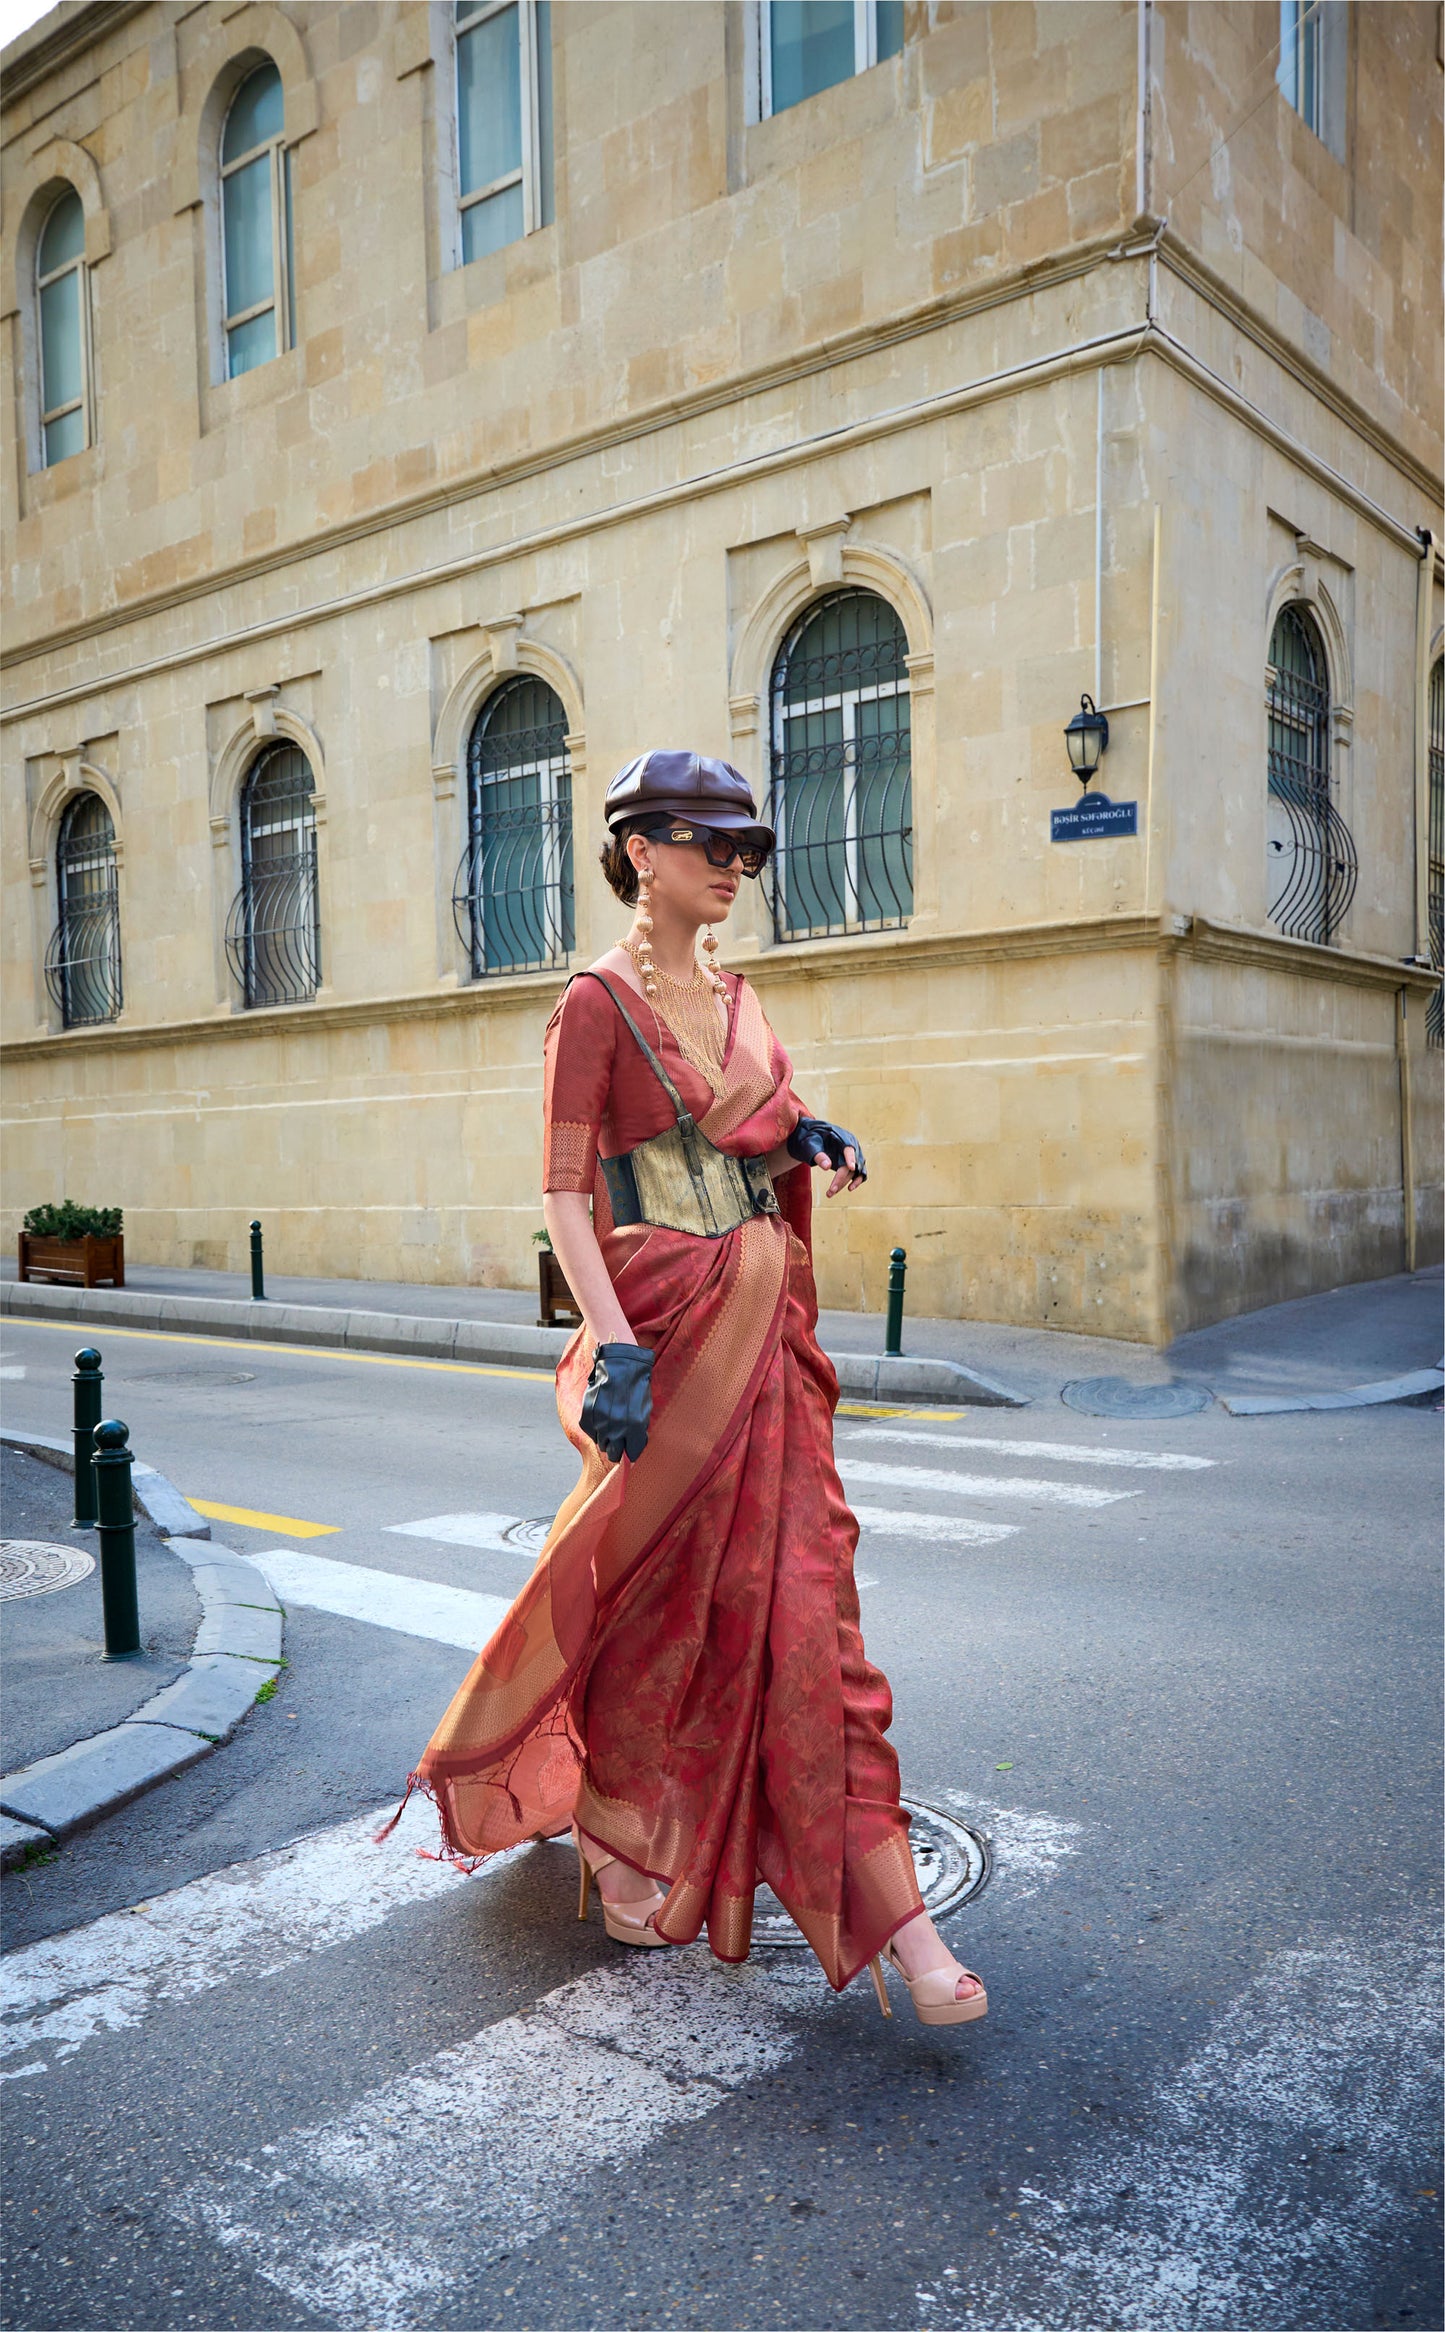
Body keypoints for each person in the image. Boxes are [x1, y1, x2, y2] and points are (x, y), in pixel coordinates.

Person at [386, 749, 986, 2028]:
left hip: (766, 1345)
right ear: (638, 851)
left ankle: (903, 1929)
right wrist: (615, 1347)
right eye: (708, 843)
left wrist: (802, 1131)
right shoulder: (592, 1006)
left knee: (809, 1624)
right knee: (652, 1611)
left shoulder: (741, 996)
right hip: (665, 1333)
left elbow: (752, 1116)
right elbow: (560, 1191)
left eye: (746, 850)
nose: (733, 867)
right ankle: (618, 1838)